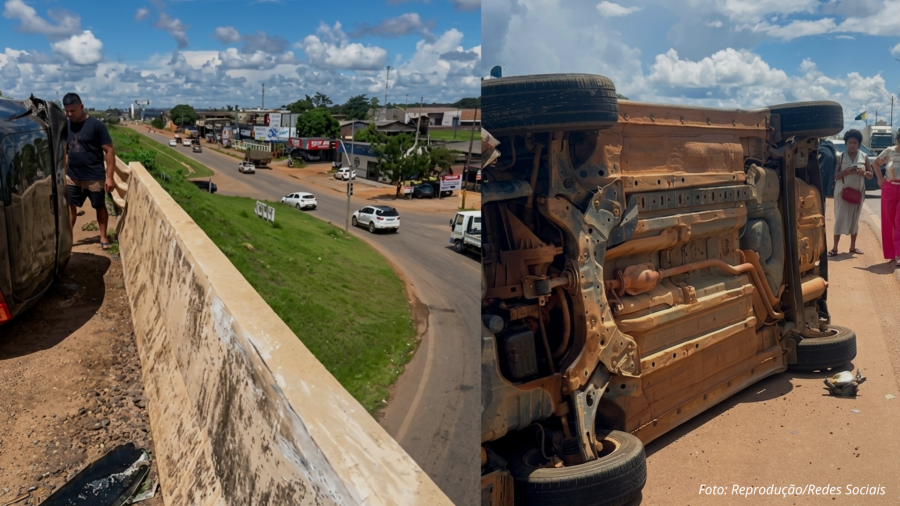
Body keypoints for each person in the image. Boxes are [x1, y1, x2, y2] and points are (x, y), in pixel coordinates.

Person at [62, 93, 116, 249]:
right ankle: (68, 239)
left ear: (81, 106)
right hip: (72, 175)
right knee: (70, 207)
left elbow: (109, 151)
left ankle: (103, 237)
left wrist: (110, 177)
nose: (70, 114)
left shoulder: (96, 126)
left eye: (73, 110)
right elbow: (64, 151)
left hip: (94, 176)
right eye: (67, 111)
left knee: (99, 206)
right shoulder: (66, 126)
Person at [829, 129, 873, 257]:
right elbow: (836, 176)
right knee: (839, 219)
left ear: (859, 144)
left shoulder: (864, 157)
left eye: (855, 142)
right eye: (850, 142)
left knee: (855, 219)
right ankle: (835, 248)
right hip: (842, 192)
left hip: (857, 193)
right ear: (846, 143)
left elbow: (870, 175)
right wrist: (847, 171)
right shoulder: (840, 157)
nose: (852, 145)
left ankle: (852, 247)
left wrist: (862, 172)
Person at [872, 128, 900, 268]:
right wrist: (879, 179)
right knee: (888, 221)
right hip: (889, 188)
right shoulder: (889, 151)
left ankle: (899, 254)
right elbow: (876, 163)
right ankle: (891, 253)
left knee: (899, 221)